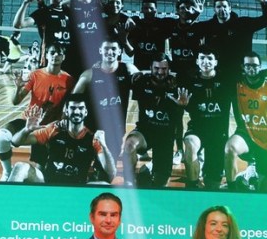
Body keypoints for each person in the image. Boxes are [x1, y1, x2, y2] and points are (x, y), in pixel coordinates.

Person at [0, 44, 74, 180]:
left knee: (42, 172)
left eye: (59, 53)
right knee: (0, 137)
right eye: (52, 52)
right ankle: (7, 172)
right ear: (46, 55)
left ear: (63, 57)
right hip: (28, 121)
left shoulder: (69, 80)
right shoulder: (35, 75)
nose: (55, 55)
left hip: (48, 127)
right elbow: (15, 101)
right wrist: (17, 88)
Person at [6, 94, 116, 185]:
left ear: (86, 112)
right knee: (20, 167)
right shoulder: (54, 129)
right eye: (73, 108)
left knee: (104, 185)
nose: (77, 112)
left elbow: (111, 172)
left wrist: (104, 145)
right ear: (66, 111)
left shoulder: (93, 138)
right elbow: (15, 142)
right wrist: (27, 129)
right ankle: (6, 203)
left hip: (77, 187)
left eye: (81, 108)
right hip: (49, 183)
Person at [226, 51, 267, 192]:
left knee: (265, 191)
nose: (251, 68)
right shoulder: (237, 86)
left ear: (260, 67)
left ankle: (249, 175)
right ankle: (232, 190)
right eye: (248, 65)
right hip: (246, 136)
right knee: (230, 148)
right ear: (243, 67)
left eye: (255, 66)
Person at [122, 55, 186, 188]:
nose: (160, 72)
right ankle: (129, 183)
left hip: (165, 136)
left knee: (160, 183)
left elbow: (180, 118)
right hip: (145, 131)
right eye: (156, 68)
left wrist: (182, 106)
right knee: (129, 145)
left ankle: (147, 170)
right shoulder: (141, 81)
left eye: (164, 69)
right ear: (150, 68)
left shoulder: (177, 85)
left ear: (169, 69)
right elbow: (122, 75)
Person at [177, 48, 235, 190]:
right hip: (197, 129)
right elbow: (189, 108)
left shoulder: (226, 81)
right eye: (202, 58)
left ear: (216, 62)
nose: (206, 61)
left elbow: (251, 75)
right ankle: (193, 184)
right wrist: (184, 105)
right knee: (190, 143)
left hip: (218, 134)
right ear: (197, 61)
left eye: (210, 58)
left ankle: (213, 179)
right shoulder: (191, 82)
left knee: (212, 185)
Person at [73, 39, 138, 162]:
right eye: (106, 49)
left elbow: (146, 81)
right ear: (100, 51)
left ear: (119, 51)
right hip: (91, 128)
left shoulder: (128, 69)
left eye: (113, 49)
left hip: (115, 129)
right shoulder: (89, 74)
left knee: (107, 168)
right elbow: (73, 99)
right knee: (82, 164)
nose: (110, 52)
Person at [203, 0, 267, 82]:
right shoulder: (210, 26)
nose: (222, 9)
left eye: (225, 7)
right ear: (214, 9)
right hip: (218, 73)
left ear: (230, 9)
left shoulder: (243, 24)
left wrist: (264, 2)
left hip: (241, 74)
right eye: (218, 7)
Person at [12, 0, 72, 67]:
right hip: (49, 60)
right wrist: (25, 3)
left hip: (68, 59)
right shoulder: (43, 13)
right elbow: (18, 24)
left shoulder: (70, 12)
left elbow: (75, 2)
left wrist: (41, 1)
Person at [128, 0, 173, 71]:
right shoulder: (136, 24)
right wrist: (131, 18)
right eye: (146, 8)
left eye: (151, 8)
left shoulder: (163, 24)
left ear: (156, 10)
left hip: (158, 66)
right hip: (139, 66)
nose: (148, 11)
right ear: (142, 10)